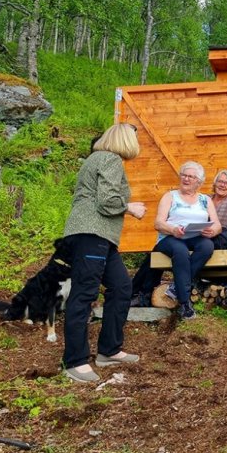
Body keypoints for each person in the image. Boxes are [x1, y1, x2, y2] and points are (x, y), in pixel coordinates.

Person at [62, 123, 147, 383]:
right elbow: (108, 201)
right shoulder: (110, 159)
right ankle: (74, 361)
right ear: (125, 140)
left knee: (121, 287)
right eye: (134, 138)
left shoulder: (99, 158)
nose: (137, 143)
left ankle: (109, 350)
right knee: (84, 293)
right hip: (91, 235)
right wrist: (130, 207)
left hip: (101, 238)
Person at [152, 161, 222, 320]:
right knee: (180, 251)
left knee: (207, 246)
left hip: (195, 236)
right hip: (171, 237)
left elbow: (217, 224)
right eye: (184, 175)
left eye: (191, 176)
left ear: (199, 182)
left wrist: (212, 231)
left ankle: (176, 287)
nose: (186, 179)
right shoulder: (170, 196)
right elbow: (158, 223)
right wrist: (173, 230)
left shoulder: (205, 200)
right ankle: (184, 304)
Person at [208, 170, 227, 250]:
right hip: (198, 235)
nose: (222, 185)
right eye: (220, 181)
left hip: (218, 240)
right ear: (215, 183)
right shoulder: (205, 198)